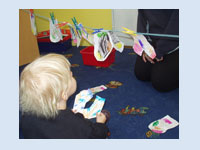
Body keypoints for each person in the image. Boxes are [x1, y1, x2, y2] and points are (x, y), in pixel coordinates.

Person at [19, 53, 109, 139]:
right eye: (70, 76)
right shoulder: (73, 123)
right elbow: (97, 135)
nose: (72, 75)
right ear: (64, 94)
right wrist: (100, 123)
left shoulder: (26, 118)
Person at [134, 9, 179, 92]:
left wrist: (160, 50)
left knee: (161, 82)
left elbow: (176, 26)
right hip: (154, 42)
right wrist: (145, 46)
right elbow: (142, 19)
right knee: (141, 73)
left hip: (175, 43)